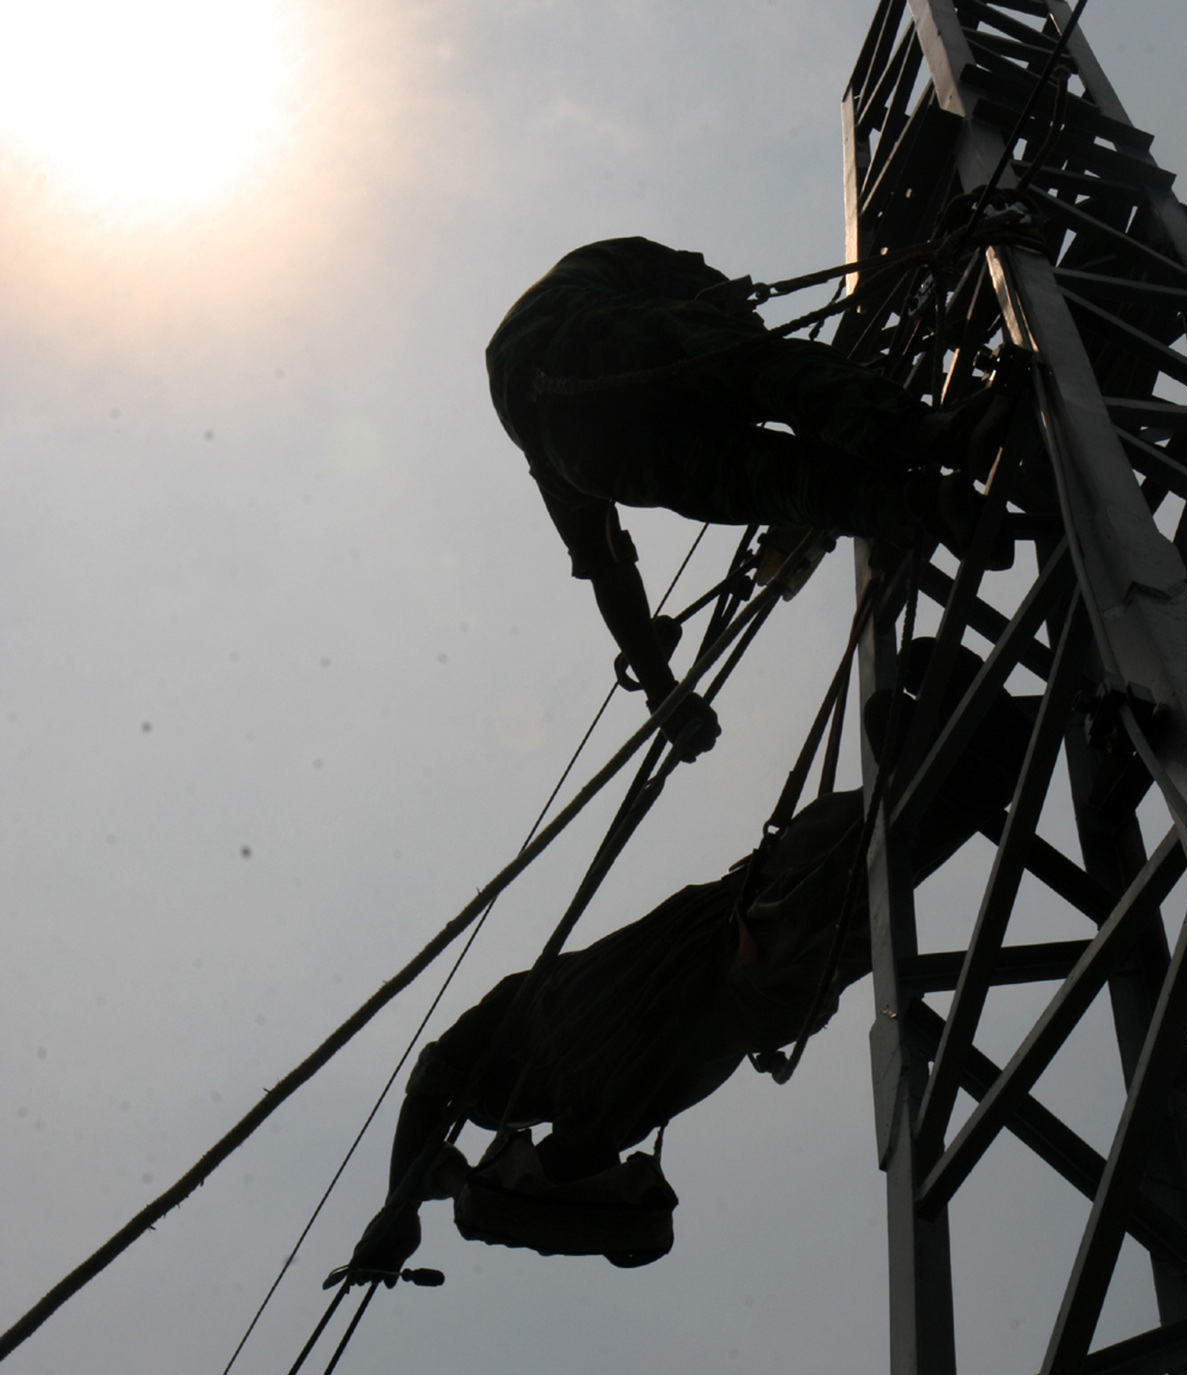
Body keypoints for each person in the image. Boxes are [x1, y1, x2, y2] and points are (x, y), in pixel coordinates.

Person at [339, 643, 1030, 1284]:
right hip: (747, 976)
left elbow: (431, 1088)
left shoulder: (530, 1017)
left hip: (735, 913)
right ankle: (968, 768)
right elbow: (537, 1200)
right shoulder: (597, 1110)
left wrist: (404, 1200)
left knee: (830, 845)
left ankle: (964, 757)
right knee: (847, 876)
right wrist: (432, 1194)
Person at [487, 236, 1014, 760]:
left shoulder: (550, 467)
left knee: (766, 480)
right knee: (764, 372)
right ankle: (938, 434)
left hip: (578, 451)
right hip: (597, 345)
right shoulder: (599, 273)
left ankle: (919, 505)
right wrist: (731, 317)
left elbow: (607, 570)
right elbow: (706, 298)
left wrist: (662, 691)